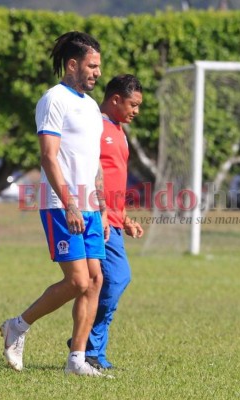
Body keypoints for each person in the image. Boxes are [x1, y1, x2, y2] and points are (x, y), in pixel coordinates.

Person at [0, 31, 111, 377]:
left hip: (91, 207)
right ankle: (18, 325)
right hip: (61, 204)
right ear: (72, 64)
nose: (97, 73)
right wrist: (71, 204)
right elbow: (49, 158)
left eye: (99, 67)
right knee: (78, 281)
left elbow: (93, 162)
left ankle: (76, 359)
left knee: (95, 281)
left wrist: (103, 208)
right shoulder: (53, 100)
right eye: (91, 66)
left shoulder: (91, 106)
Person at [68, 74, 145, 369]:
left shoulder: (119, 129)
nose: (136, 111)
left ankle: (87, 345)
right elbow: (88, 171)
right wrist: (99, 213)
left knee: (102, 282)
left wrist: (123, 218)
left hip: (112, 220)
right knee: (111, 280)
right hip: (96, 218)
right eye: (132, 104)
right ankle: (88, 347)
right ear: (115, 100)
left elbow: (112, 180)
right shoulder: (95, 126)